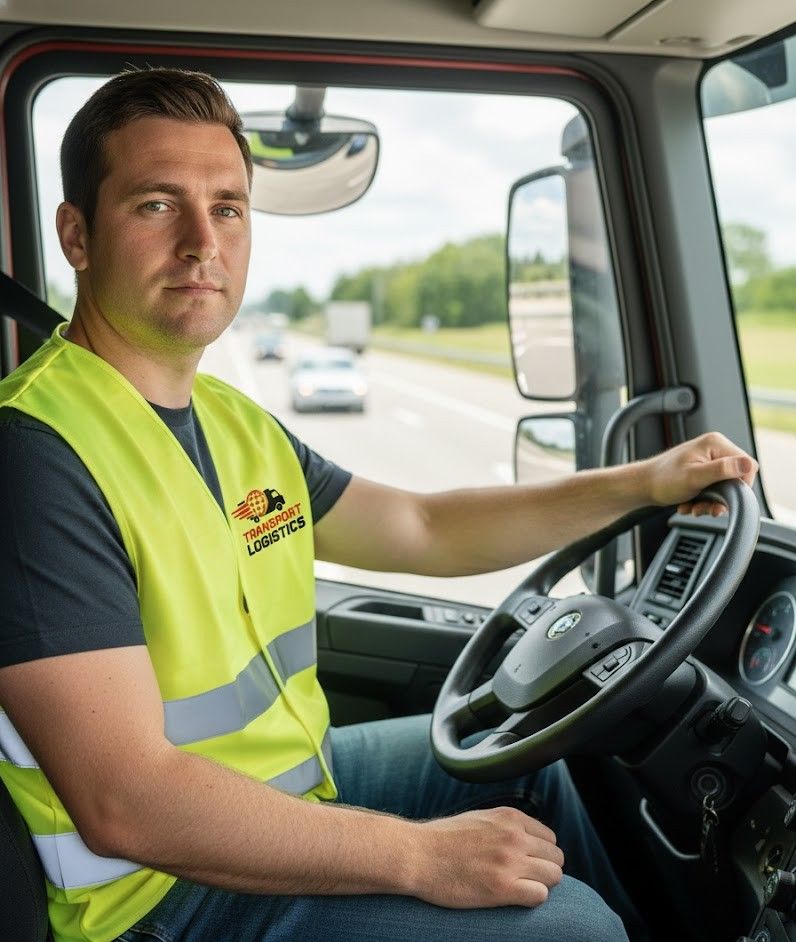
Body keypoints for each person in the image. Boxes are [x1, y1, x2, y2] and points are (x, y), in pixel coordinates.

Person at [0, 68, 757, 942]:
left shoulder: (235, 423)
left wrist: (642, 482)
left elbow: (422, 527)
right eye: (158, 205)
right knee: (568, 928)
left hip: (284, 787)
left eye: (230, 207)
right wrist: (419, 855)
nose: (205, 241)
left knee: (543, 765)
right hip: (158, 895)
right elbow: (124, 802)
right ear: (77, 235)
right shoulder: (35, 455)